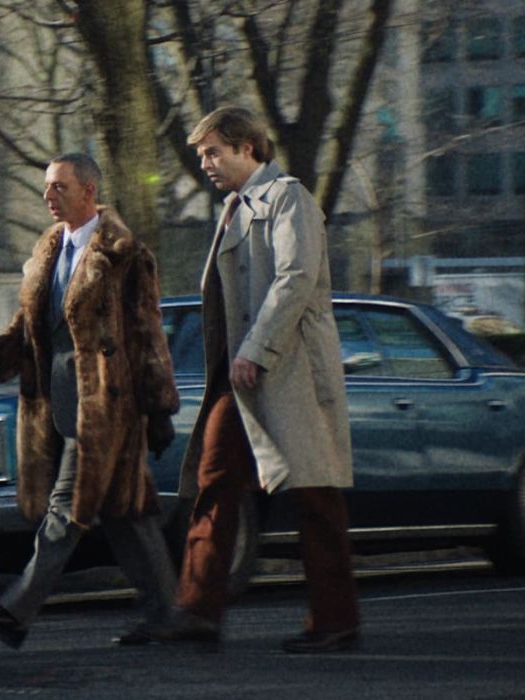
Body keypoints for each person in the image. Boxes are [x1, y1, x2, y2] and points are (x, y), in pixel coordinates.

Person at [0, 152, 181, 649]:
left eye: (59, 187)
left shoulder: (124, 253)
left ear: (88, 192)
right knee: (128, 513)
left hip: (105, 408)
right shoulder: (49, 251)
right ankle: (170, 613)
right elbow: (26, 329)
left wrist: (160, 406)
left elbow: (147, 333)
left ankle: (16, 610)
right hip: (56, 404)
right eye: (46, 187)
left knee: (67, 507)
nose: (47, 196)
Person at [160, 107, 360, 653]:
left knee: (315, 495)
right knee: (214, 480)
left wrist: (254, 350)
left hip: (288, 368)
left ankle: (335, 620)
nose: (205, 165)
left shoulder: (289, 197)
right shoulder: (235, 207)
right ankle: (197, 610)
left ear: (247, 147)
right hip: (242, 375)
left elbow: (295, 280)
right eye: (202, 155)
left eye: (212, 153)